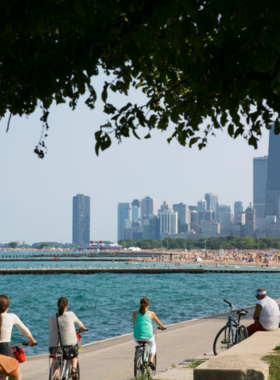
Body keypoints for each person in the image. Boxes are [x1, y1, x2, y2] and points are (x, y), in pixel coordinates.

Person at [49, 297, 87, 380]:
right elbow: (81, 325)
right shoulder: (70, 314)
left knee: (56, 363)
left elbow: (50, 326)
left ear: (57, 305)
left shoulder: (52, 316)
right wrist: (84, 329)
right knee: (75, 352)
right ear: (67, 306)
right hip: (69, 347)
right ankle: (73, 369)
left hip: (54, 347)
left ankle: (55, 377)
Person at [0, 294, 36, 380]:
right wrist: (32, 340)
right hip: (5, 351)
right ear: (7, 307)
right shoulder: (12, 317)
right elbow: (24, 331)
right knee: (17, 374)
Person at [132, 298, 165, 370]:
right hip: (148, 336)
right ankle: (150, 360)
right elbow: (158, 323)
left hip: (137, 336)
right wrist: (162, 327)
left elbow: (134, 325)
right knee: (153, 345)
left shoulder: (134, 313)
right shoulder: (151, 313)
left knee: (139, 344)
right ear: (148, 305)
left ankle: (137, 358)